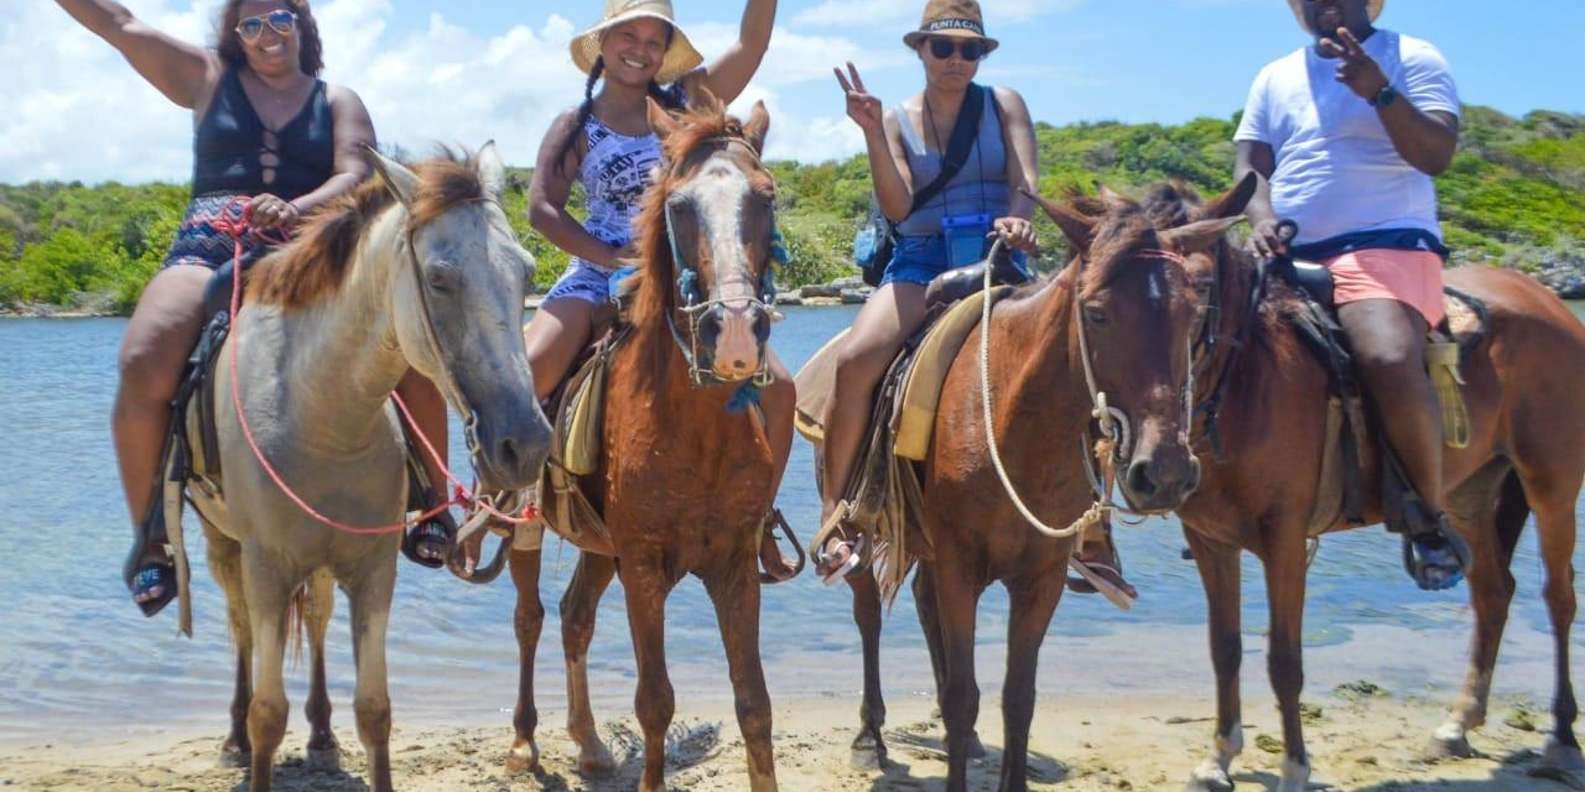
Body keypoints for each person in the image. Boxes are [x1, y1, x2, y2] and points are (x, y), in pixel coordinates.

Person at [56, 0, 457, 617]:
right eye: (252, 24)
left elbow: (357, 173)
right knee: (142, 360)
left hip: (312, 245)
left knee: (404, 349)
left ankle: (432, 503)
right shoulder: (205, 78)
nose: (267, 33)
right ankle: (152, 539)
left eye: (279, 20)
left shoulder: (337, 100)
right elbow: (120, 24)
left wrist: (297, 208)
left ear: (301, 26)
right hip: (209, 240)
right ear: (235, 35)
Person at [821, 0, 1107, 583]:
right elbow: (898, 206)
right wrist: (872, 133)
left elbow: (1025, 181)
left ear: (981, 56)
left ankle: (1093, 526)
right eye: (944, 47)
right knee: (856, 361)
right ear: (920, 50)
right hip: (922, 260)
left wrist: (1020, 218)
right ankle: (837, 513)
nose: (956, 58)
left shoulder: (1005, 104)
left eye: (969, 49)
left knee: (1090, 358)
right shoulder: (896, 119)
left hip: (999, 256)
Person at [525, 0, 799, 579]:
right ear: (603, 43)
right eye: (628, 36)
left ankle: (760, 520)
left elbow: (751, 46)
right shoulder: (576, 124)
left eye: (654, 41)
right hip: (599, 269)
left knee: (779, 388)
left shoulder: (688, 100)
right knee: (530, 369)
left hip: (681, 278)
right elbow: (542, 208)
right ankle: (509, 501)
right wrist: (606, 255)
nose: (640, 50)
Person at [1236, 0, 1468, 589]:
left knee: (1385, 354)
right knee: (1205, 332)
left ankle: (1428, 518)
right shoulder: (1274, 75)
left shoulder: (1412, 56)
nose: (1323, 3)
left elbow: (1437, 155)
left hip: (1386, 240)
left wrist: (1379, 91)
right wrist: (1261, 220)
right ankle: (1215, 493)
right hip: (1288, 248)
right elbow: (1252, 169)